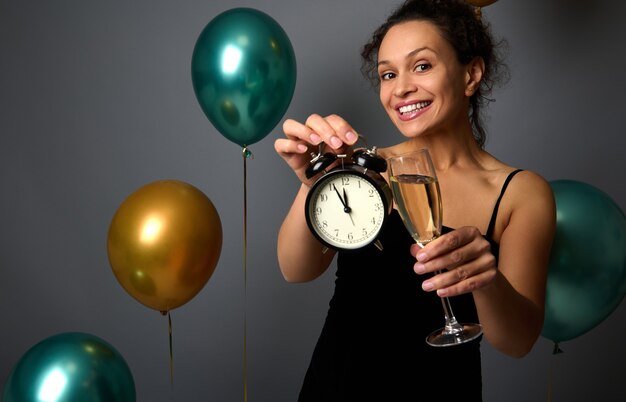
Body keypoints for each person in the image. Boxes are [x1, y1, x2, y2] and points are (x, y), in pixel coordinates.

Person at [274, 0, 556, 400]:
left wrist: (486, 279)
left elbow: (517, 341)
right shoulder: (363, 169)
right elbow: (295, 269)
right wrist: (312, 182)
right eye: (388, 74)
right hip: (337, 387)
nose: (400, 88)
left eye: (421, 66)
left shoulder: (520, 193)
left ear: (471, 74)